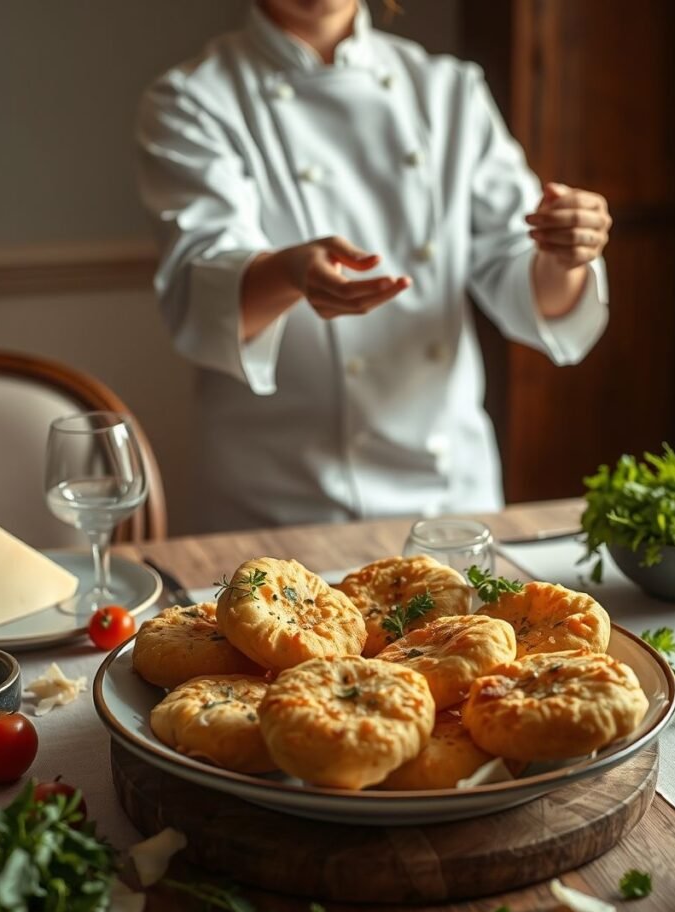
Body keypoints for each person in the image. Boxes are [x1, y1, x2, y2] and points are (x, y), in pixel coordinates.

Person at [137, 0, 611, 532]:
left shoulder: (448, 91)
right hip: (278, 505)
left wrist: (565, 252)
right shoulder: (195, 98)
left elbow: (521, 279)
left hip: (451, 499)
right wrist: (290, 273)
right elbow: (205, 294)